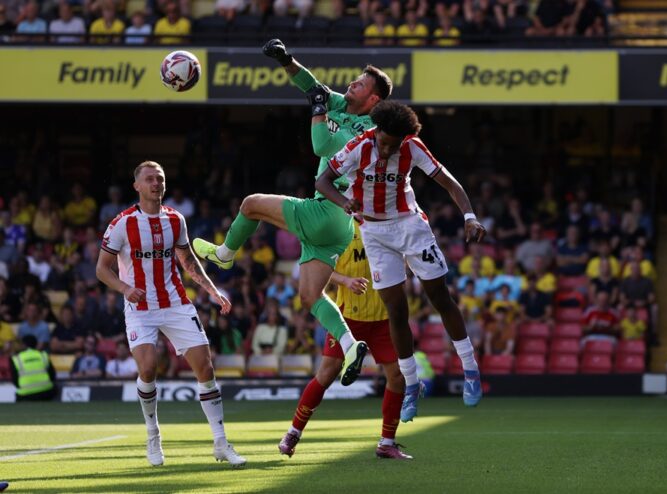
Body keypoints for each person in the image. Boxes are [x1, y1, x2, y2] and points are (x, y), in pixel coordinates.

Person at [193, 39, 394, 387]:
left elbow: (321, 146)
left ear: (373, 100)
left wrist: (317, 111)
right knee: (310, 296)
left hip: (326, 210)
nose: (351, 84)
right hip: (339, 227)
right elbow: (312, 87)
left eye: (360, 84)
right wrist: (286, 61)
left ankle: (225, 256)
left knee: (250, 204)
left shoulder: (368, 131)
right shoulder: (343, 106)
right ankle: (350, 346)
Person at [316, 100, 486, 421]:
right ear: (376, 131)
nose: (387, 150)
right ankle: (410, 384)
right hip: (375, 234)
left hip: (410, 226)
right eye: (384, 142)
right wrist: (344, 202)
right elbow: (322, 181)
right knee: (396, 310)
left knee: (440, 297)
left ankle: (470, 369)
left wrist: (470, 217)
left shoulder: (412, 147)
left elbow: (449, 182)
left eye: (394, 146)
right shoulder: (358, 146)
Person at [96, 161, 245, 467]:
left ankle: (221, 443)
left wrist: (212, 291)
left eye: (160, 179)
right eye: (149, 179)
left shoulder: (175, 220)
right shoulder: (122, 223)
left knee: (205, 367)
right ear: (136, 186)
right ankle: (153, 435)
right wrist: (125, 288)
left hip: (175, 302)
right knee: (148, 369)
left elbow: (188, 261)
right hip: (139, 307)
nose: (156, 184)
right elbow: (101, 269)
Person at [278, 223, 411, 459]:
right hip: (348, 318)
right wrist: (345, 281)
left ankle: (386, 443)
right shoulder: (340, 230)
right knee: (326, 374)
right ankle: (293, 433)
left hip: (383, 318)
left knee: (397, 376)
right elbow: (319, 269)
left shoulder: (386, 225)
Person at [10, 335, 56, 401]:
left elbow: (15, 379)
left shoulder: (16, 359)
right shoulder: (43, 355)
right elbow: (52, 375)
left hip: (26, 395)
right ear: (36, 344)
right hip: (46, 392)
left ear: (23, 345)